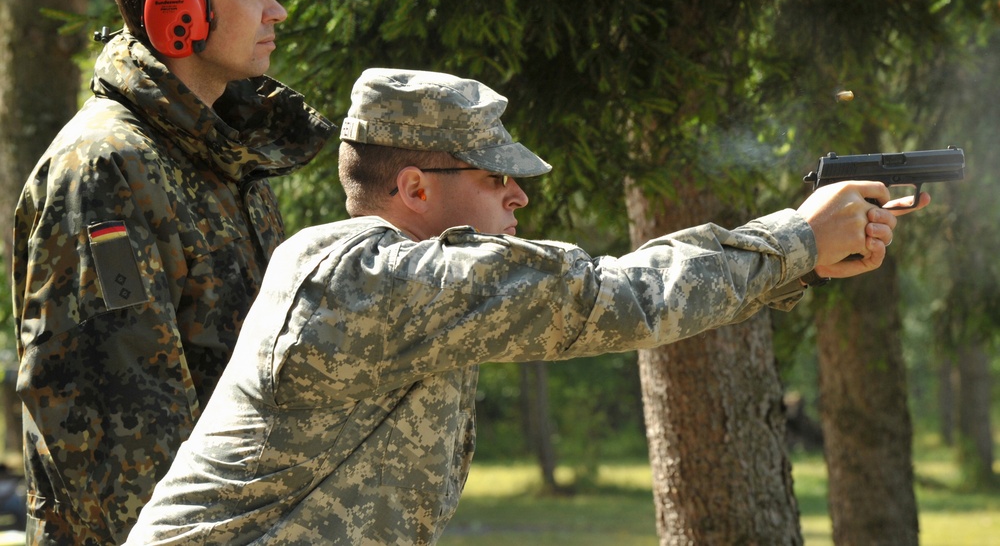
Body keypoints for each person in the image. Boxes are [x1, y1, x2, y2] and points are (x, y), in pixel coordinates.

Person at [125, 68, 926, 545]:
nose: (517, 197)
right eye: (492, 177)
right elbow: (611, 297)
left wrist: (798, 252)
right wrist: (793, 239)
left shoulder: (369, 273)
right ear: (413, 189)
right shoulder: (376, 280)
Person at [10, 0, 332, 545]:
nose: (279, 11)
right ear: (177, 10)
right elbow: (121, 430)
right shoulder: (107, 169)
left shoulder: (219, 155)